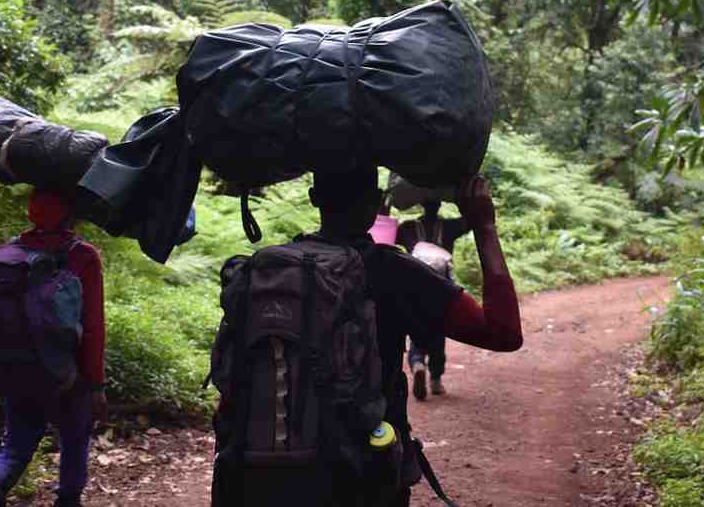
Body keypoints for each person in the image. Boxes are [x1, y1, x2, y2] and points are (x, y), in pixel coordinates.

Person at [212, 166, 521, 507]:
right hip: (362, 476)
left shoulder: (266, 269)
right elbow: (503, 333)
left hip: (259, 472)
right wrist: (484, 226)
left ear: (314, 198)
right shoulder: (397, 272)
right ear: (376, 203)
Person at [0, 189, 108, 507]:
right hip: (66, 374)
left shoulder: (9, 253)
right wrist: (95, 383)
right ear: (72, 212)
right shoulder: (83, 255)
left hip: (15, 367)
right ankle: (68, 500)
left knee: (15, 444)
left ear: (31, 212)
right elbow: (93, 325)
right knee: (74, 438)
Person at [396, 201, 471, 400]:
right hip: (441, 289)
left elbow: (382, 234)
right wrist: (460, 198)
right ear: (438, 205)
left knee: (416, 331)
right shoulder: (449, 227)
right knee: (439, 333)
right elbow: (470, 221)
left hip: (413, 288)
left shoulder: (408, 228)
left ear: (420, 203)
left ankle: (418, 362)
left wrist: (383, 206)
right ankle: (436, 380)